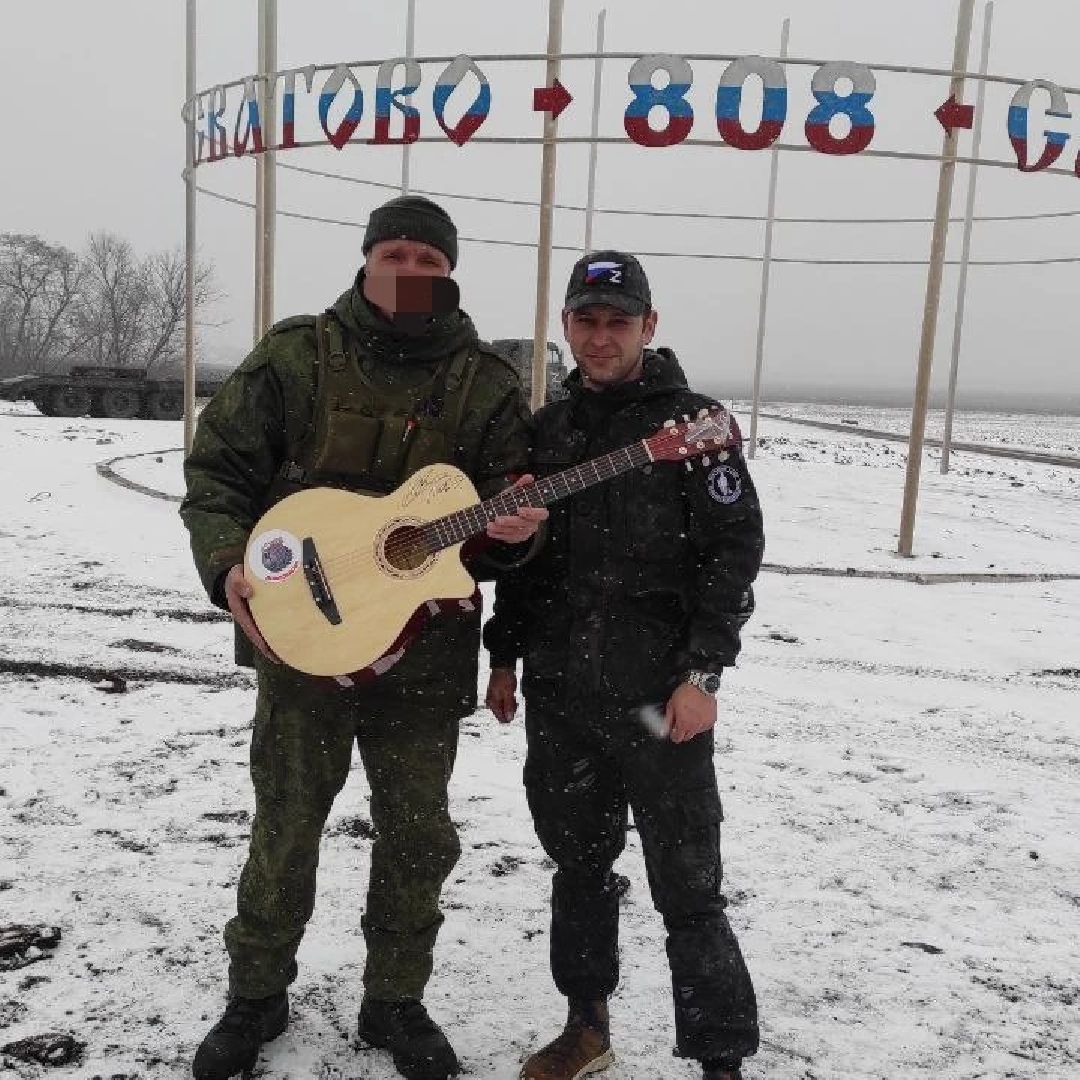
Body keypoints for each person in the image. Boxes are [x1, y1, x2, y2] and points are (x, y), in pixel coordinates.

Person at [180, 195, 547, 1080]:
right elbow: (218, 470)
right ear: (366, 258)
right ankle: (256, 995)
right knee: (287, 823)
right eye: (394, 254)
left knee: (419, 835)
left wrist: (515, 536)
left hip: (424, 655)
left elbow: (505, 532)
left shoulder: (488, 385)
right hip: (300, 644)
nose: (409, 273)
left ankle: (395, 1003)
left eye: (428, 260)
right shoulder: (295, 355)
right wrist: (228, 560)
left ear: (451, 271)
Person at [483, 251, 764, 1080]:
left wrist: (703, 675)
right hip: (562, 692)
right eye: (585, 319)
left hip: (658, 695)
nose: (601, 337)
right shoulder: (549, 430)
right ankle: (586, 1028)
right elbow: (528, 566)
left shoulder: (692, 423)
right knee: (578, 867)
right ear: (565, 327)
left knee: (688, 883)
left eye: (618, 320)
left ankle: (720, 1059)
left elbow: (733, 554)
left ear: (649, 324)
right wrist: (504, 656)